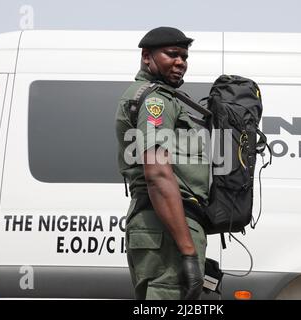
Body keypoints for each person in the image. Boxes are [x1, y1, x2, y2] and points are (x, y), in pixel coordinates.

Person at [115, 26, 210, 300]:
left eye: (184, 56)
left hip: (168, 226)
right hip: (166, 229)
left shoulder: (164, 97)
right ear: (147, 57)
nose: (180, 62)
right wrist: (188, 251)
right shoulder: (155, 101)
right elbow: (156, 174)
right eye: (172, 54)